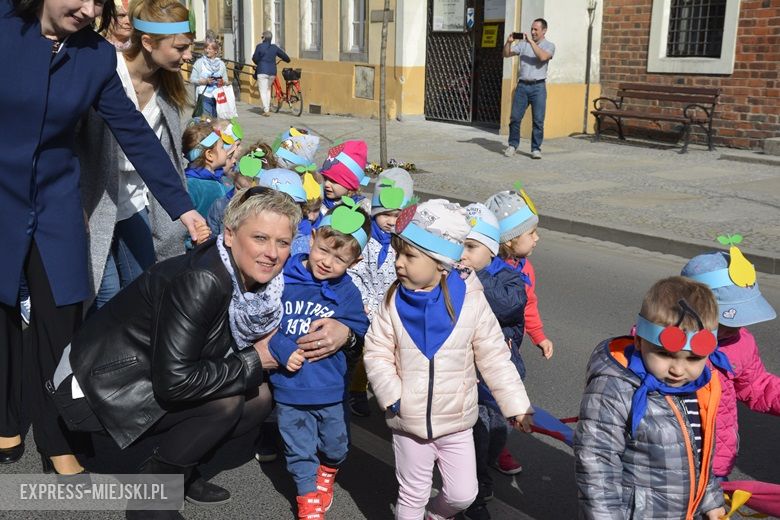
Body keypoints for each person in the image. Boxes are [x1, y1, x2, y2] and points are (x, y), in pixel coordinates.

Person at [0, 0, 204, 475]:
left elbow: (134, 131)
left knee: (63, 314)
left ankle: (58, 437)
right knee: (3, 309)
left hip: (56, 201)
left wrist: (184, 205)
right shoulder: (6, 25)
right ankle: (6, 415)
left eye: (99, 1)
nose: (89, 9)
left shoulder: (93, 55)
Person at [52, 189, 300, 519]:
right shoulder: (203, 281)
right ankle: (150, 501)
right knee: (225, 403)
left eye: (282, 242)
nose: (272, 253)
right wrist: (255, 359)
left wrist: (346, 335)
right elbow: (174, 382)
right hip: (97, 385)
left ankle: (182, 471)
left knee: (257, 398)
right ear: (229, 235)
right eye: (260, 238)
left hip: (144, 372)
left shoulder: (263, 284)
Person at [364, 199, 534, 520]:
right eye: (399, 253)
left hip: (456, 421)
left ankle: (436, 515)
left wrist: (516, 404)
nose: (399, 263)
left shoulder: (471, 298)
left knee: (462, 494)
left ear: (440, 262)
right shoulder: (393, 298)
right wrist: (392, 397)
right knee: (412, 494)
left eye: (409, 255)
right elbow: (376, 351)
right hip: (409, 422)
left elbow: (495, 355)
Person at [80, 0, 206, 311]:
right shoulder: (107, 72)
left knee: (145, 286)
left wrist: (182, 209)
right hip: (94, 202)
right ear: (148, 42)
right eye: (180, 48)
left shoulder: (169, 90)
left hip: (135, 201)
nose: (188, 56)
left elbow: (167, 157)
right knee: (104, 293)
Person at [574, 276, 727, 520]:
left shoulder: (698, 387)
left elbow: (697, 454)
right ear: (638, 340)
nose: (678, 369)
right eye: (665, 354)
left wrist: (710, 500)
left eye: (693, 359)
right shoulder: (616, 386)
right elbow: (597, 462)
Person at [268, 207, 371, 520]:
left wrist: (348, 332)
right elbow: (263, 321)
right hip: (289, 388)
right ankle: (306, 494)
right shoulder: (283, 278)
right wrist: (282, 347)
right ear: (311, 238)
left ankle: (328, 469)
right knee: (298, 448)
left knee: (337, 445)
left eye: (339, 259)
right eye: (323, 250)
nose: (327, 262)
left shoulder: (348, 292)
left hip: (330, 388)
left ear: (355, 262)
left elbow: (361, 328)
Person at [681, 249, 779, 480]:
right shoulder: (663, 347)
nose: (736, 327)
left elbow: (755, 384)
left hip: (716, 462)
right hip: (666, 462)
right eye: (727, 319)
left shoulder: (739, 343)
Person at [459, 203, 528, 520]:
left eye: (471, 246)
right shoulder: (452, 273)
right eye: (459, 243)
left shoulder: (508, 278)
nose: (463, 252)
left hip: (498, 373)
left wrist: (474, 279)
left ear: (491, 250)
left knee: (496, 429)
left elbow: (508, 306)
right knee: (473, 431)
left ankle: (487, 461)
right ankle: (475, 487)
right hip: (465, 373)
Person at [485, 186, 553, 474]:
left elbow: (530, 304)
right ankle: (485, 451)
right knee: (491, 400)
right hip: (488, 347)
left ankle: (497, 446)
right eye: (531, 233)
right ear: (510, 241)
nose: (537, 238)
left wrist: (539, 335)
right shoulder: (489, 270)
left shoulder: (527, 268)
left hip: (512, 345)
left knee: (504, 398)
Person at [347, 167, 414, 417]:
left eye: (397, 215)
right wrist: (363, 303)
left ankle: (396, 392)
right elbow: (354, 272)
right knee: (363, 351)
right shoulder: (364, 238)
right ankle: (355, 390)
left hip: (392, 309)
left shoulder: (404, 245)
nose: (391, 221)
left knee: (391, 353)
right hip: (363, 307)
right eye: (385, 214)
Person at [502, 19, 555, 159]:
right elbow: (506, 54)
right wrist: (508, 42)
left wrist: (531, 43)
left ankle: (536, 149)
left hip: (538, 87)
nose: (532, 32)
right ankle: (512, 145)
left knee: (538, 120)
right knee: (515, 118)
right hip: (522, 86)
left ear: (544, 31)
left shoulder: (549, 46)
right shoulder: (522, 45)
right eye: (532, 29)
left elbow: (543, 57)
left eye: (536, 30)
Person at [183, 121, 231, 217]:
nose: (225, 150)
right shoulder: (191, 186)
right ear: (209, 155)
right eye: (222, 147)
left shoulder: (217, 176)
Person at [319, 140, 370, 215]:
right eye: (325, 178)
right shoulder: (319, 205)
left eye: (333, 181)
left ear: (350, 185)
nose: (326, 184)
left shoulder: (363, 207)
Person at [252, 30, 290, 117]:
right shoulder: (274, 47)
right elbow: (284, 56)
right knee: (268, 89)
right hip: (272, 72)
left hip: (262, 71)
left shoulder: (259, 46)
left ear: (264, 38)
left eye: (262, 37)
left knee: (263, 90)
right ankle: (267, 107)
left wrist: (260, 63)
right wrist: (287, 60)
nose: (261, 39)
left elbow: (255, 58)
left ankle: (266, 109)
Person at [189, 39, 228, 117]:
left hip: (218, 97)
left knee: (215, 121)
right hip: (204, 96)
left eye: (210, 49)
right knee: (206, 120)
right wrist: (204, 81)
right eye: (206, 48)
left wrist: (222, 82)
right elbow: (192, 79)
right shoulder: (199, 62)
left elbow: (226, 81)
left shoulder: (221, 64)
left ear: (215, 51)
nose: (207, 50)